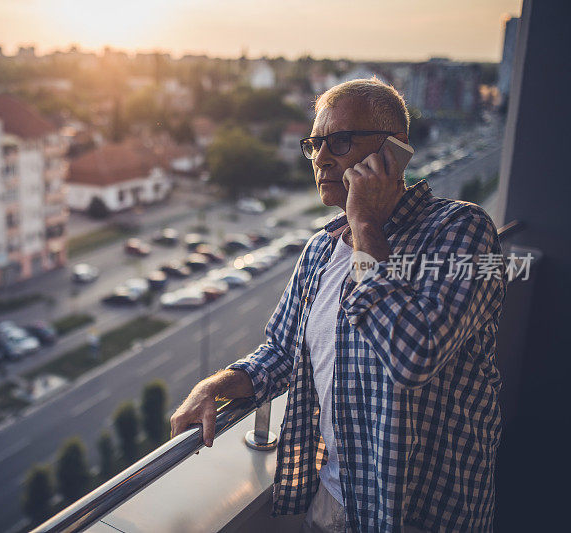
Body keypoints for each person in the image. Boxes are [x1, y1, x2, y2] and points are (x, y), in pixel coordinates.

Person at [170, 78, 506, 532]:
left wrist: (365, 220)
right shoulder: (321, 249)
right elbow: (282, 353)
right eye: (314, 145)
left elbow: (414, 355)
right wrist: (214, 385)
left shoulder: (462, 232)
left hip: (422, 515)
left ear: (395, 150)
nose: (322, 158)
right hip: (332, 501)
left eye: (340, 141)